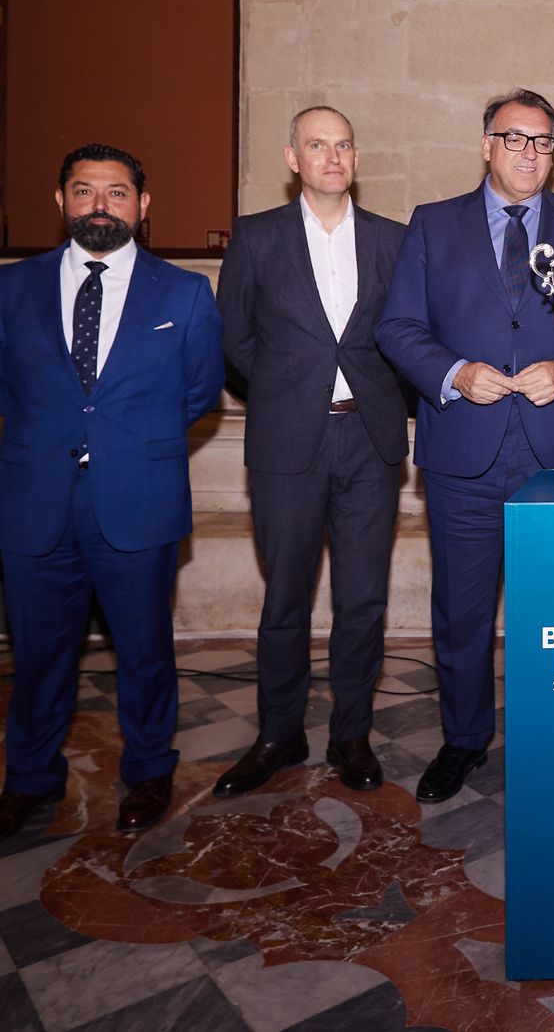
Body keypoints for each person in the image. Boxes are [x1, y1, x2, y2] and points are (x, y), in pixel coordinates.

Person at [0, 143, 224, 846]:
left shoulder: (184, 293)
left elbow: (199, 392)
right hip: (37, 500)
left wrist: (127, 440)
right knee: (39, 658)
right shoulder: (9, 287)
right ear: (60, 202)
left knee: (144, 651)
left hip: (137, 501)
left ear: (143, 205)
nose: (100, 205)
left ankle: (148, 770)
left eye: (116, 192)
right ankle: (29, 780)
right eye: (84, 191)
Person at [376, 89, 554, 804]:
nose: (529, 153)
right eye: (514, 139)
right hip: (463, 452)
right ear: (486, 145)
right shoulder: (432, 225)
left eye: (542, 141)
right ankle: (464, 739)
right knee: (462, 609)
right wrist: (454, 372)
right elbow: (398, 328)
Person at [214, 107, 409, 798]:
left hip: (370, 438)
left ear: (356, 157)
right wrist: (283, 390)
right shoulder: (257, 237)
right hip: (287, 437)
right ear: (292, 156)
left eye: (344, 145)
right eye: (317, 145)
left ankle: (351, 732)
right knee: (285, 597)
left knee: (362, 597)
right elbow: (233, 339)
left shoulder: (393, 240)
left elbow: (410, 335)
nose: (332, 157)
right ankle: (279, 733)